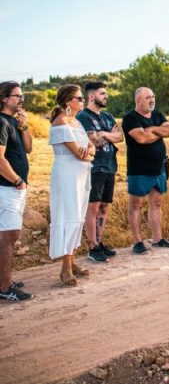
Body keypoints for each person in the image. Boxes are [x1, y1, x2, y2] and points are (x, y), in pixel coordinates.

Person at [48, 85, 94, 286]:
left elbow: (90, 148)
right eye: (79, 98)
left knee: (78, 216)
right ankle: (65, 268)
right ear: (68, 101)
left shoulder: (76, 122)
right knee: (69, 217)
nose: (83, 101)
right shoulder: (61, 123)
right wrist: (88, 151)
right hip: (67, 174)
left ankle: (72, 260)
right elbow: (78, 153)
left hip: (81, 173)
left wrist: (89, 151)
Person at [122, 87, 169, 255]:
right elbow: (142, 138)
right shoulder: (130, 118)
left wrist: (152, 129)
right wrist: (160, 132)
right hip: (139, 169)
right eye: (147, 98)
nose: (152, 100)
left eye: (153, 96)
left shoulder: (158, 114)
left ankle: (158, 239)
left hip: (159, 168)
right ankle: (137, 242)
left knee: (157, 202)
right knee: (136, 204)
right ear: (138, 100)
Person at [76, 81, 123, 263]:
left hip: (110, 165)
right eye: (102, 93)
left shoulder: (108, 116)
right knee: (93, 207)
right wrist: (107, 135)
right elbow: (93, 142)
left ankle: (100, 242)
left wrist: (103, 134)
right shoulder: (83, 116)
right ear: (91, 96)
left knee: (104, 206)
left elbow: (120, 136)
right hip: (95, 168)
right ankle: (92, 247)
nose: (106, 96)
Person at [0, 82, 33, 301]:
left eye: (22, 96)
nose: (21, 100)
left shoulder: (13, 122)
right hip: (7, 187)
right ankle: (4, 288)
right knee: (8, 236)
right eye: (17, 96)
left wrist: (25, 127)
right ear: (3, 98)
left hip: (15, 188)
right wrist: (17, 180)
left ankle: (5, 279)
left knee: (10, 235)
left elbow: (28, 148)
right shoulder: (1, 122)